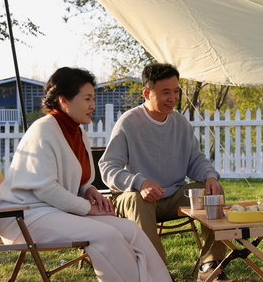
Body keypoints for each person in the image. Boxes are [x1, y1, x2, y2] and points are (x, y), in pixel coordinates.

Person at [0, 67, 171, 282]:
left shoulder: (79, 132)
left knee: (131, 230)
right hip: (25, 216)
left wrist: (90, 190)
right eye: (87, 99)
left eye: (93, 98)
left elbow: (79, 180)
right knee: (107, 235)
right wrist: (88, 208)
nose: (93, 105)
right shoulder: (44, 130)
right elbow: (45, 187)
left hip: (57, 211)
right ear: (64, 101)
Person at [99, 62, 233, 282]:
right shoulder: (128, 123)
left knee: (212, 192)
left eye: (176, 91)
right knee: (136, 199)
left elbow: (195, 160)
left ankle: (210, 265)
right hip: (137, 201)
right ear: (146, 93)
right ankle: (157, 271)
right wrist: (139, 182)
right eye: (165, 93)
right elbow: (107, 167)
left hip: (173, 197)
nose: (173, 98)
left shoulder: (181, 123)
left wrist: (209, 176)